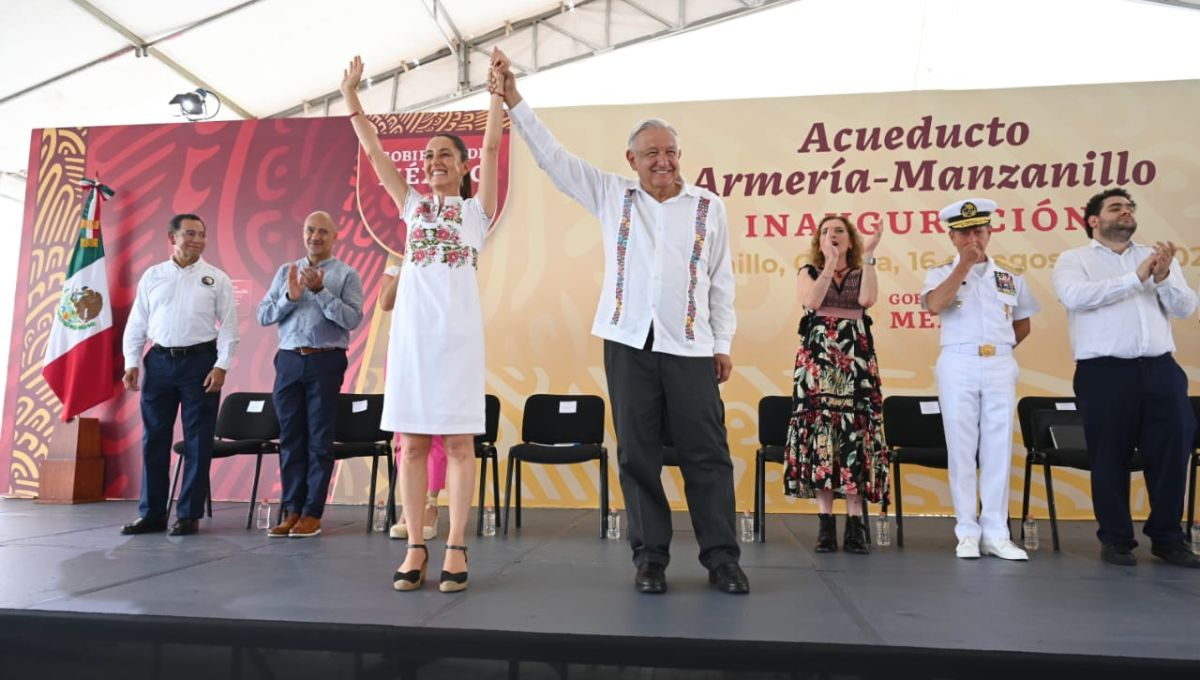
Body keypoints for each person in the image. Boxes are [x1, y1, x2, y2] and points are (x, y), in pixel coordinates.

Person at [490, 50, 749, 595]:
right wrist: (513, 97)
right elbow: (553, 158)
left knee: (707, 454)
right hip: (628, 343)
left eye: (671, 152)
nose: (663, 160)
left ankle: (722, 559)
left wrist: (722, 342)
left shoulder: (708, 207)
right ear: (630, 159)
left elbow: (721, 281)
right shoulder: (612, 195)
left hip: (692, 346)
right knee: (637, 453)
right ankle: (650, 558)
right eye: (652, 152)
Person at [341, 53, 503, 592]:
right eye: (429, 155)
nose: (434, 161)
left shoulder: (476, 212)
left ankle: (455, 545)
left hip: (458, 343)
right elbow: (371, 148)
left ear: (462, 165)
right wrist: (351, 98)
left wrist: (497, 97)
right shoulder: (412, 208)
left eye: (445, 155)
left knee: (459, 446)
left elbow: (496, 145)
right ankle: (416, 546)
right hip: (411, 344)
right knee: (409, 446)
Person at [1051, 188, 1199, 568]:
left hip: (1161, 369)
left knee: (1171, 454)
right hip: (1105, 373)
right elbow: (1076, 296)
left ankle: (1168, 538)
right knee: (1109, 456)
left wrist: (1163, 277)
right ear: (1094, 220)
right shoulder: (1075, 259)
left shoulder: (1155, 257)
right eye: (1116, 208)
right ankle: (1116, 539)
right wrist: (1135, 279)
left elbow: (1185, 308)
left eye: (1130, 207)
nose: (1126, 212)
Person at [922, 198, 1036, 561]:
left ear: (990, 232)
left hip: (999, 362)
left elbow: (1023, 322)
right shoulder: (940, 272)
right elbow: (936, 305)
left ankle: (996, 532)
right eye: (965, 232)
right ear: (952, 237)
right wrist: (964, 267)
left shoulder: (1010, 276)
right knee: (961, 448)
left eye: (979, 231)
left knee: (998, 448)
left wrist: (998, 350)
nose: (973, 237)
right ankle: (967, 530)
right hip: (959, 362)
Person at [120, 214, 238, 536]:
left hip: (201, 364)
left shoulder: (217, 279)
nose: (197, 240)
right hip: (158, 363)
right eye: (190, 233)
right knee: (154, 440)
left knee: (198, 442)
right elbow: (137, 323)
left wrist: (221, 365)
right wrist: (131, 362)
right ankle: (152, 514)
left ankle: (188, 514)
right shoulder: (153, 276)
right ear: (172, 238)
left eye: (202, 234)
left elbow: (229, 328)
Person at [783, 215, 888, 554]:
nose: (832, 235)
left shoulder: (861, 270)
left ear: (851, 238)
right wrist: (827, 265)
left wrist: (869, 255)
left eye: (839, 230)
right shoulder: (808, 271)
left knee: (854, 434)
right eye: (825, 231)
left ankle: (856, 524)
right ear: (819, 240)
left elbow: (867, 300)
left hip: (855, 359)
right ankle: (826, 524)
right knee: (823, 436)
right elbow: (812, 302)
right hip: (819, 360)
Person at [257, 210, 364, 538]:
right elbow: (264, 315)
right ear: (303, 234)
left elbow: (352, 319)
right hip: (288, 361)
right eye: (310, 230)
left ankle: (312, 513)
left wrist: (320, 292)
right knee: (290, 437)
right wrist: (290, 298)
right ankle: (291, 509)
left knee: (319, 439)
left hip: (325, 361)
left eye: (322, 232)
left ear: (335, 237)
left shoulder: (346, 274)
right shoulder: (285, 272)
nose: (315, 237)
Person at [379, 263, 445, 541]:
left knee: (438, 434)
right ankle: (409, 506)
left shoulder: (443, 265)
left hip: (438, 350)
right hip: (404, 354)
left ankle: (431, 505)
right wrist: (408, 266)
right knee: (404, 436)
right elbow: (385, 302)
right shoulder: (397, 267)